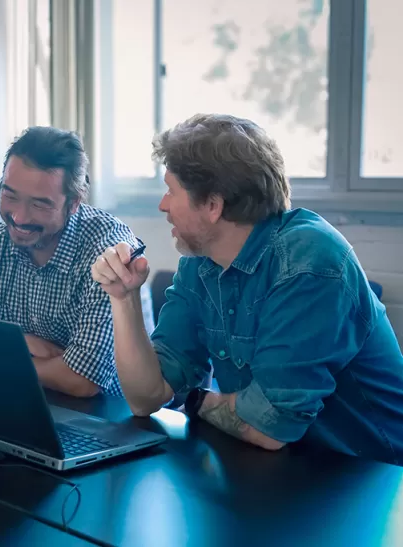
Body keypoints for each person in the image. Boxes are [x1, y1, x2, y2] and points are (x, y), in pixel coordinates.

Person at [91, 113, 403, 464]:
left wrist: (195, 401)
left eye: (171, 190)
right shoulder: (200, 263)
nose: (163, 205)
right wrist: (124, 298)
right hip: (283, 471)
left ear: (212, 205)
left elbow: (268, 429)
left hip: (374, 478)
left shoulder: (309, 262)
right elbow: (145, 398)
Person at [0, 126, 154, 398]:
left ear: (73, 203)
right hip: (28, 401)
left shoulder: (108, 254)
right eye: (9, 195)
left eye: (39, 205)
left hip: (111, 419)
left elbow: (83, 381)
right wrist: (18, 346)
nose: (19, 217)